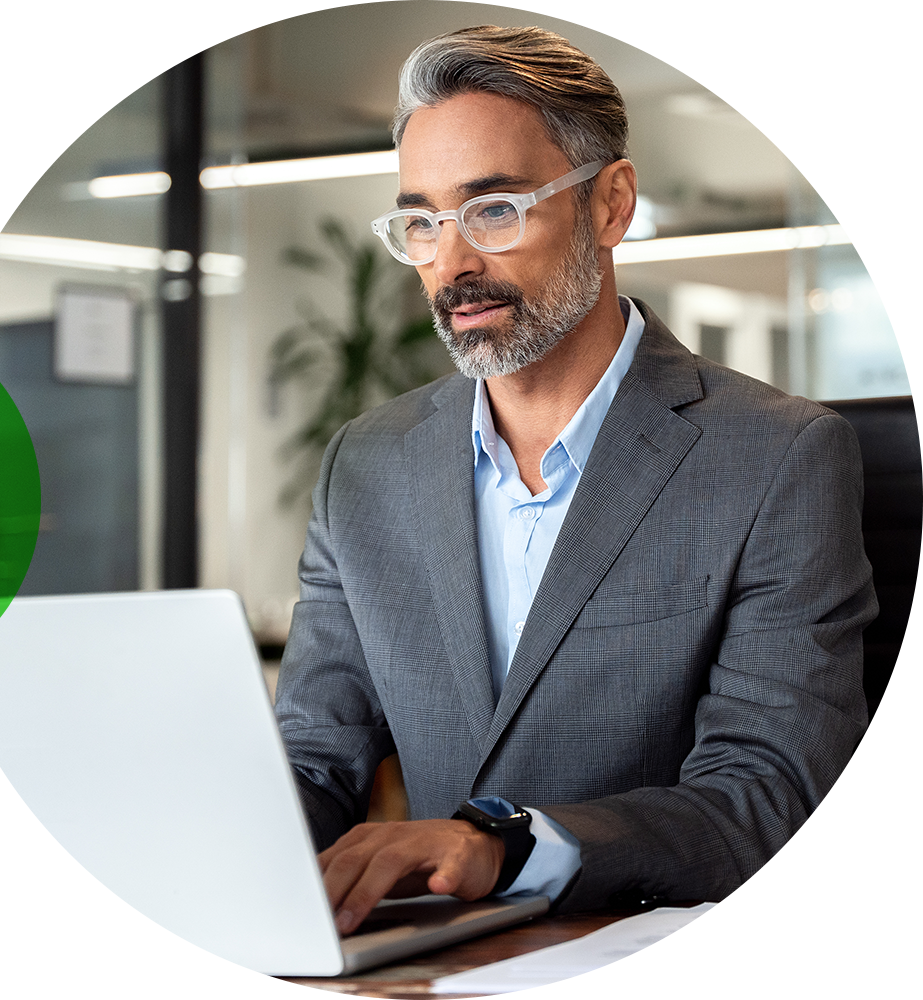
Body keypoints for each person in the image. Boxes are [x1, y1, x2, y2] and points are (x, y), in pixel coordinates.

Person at [273, 25, 876, 932]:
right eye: (423, 222)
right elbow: (316, 757)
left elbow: (770, 792)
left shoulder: (776, 457)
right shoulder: (366, 463)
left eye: (495, 209)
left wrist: (506, 847)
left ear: (610, 205)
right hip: (432, 971)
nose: (452, 263)